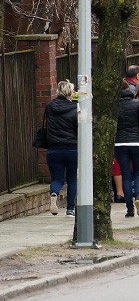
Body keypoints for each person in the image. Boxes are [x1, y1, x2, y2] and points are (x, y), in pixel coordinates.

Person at [114, 80, 139, 217]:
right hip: (138, 142)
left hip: (120, 143)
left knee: (126, 175)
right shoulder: (137, 104)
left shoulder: (115, 106)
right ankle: (138, 197)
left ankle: (129, 209)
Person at [45, 80, 78, 216]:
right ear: (70, 92)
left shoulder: (49, 106)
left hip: (53, 148)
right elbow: (77, 128)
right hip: (72, 148)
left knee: (57, 178)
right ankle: (70, 209)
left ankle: (54, 193)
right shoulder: (75, 108)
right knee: (72, 179)